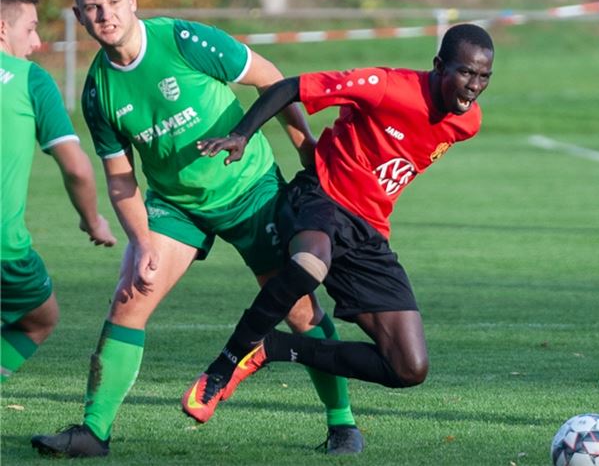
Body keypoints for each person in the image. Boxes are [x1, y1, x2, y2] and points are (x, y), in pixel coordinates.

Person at [30, 0, 360, 458]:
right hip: (177, 206)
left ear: (132, 1)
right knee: (129, 296)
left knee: (297, 307)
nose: (105, 15)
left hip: (252, 192)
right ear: (78, 17)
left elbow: (271, 79)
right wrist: (142, 241)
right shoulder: (98, 91)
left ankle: (343, 424)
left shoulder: (184, 40)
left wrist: (304, 146)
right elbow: (121, 178)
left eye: (114, 2)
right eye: (92, 8)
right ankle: (94, 432)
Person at [177, 24, 493, 432]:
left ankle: (272, 348)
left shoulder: (468, 123)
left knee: (409, 367)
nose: (474, 86)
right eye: (465, 72)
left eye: (483, 76)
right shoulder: (385, 86)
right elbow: (289, 88)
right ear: (438, 65)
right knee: (309, 264)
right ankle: (224, 364)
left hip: (368, 230)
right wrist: (241, 134)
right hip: (321, 196)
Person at [1, 0, 117, 383]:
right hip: (4, 252)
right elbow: (77, 168)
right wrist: (93, 220)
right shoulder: (30, 79)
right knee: (39, 319)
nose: (35, 43)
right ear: (3, 29)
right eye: (31, 28)